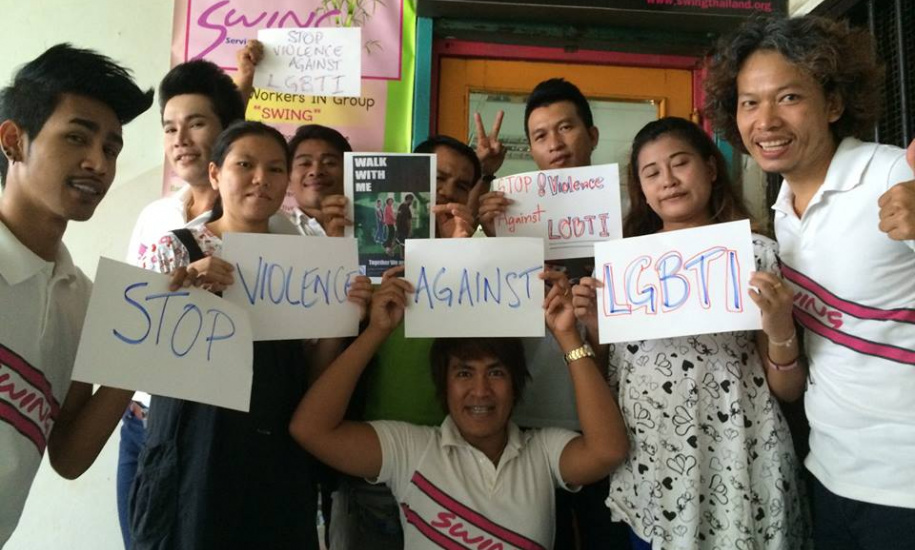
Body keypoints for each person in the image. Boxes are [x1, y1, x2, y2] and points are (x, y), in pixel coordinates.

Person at [704, 15, 915, 549]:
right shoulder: (781, 212)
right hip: (828, 471)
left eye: (789, 97)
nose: (766, 120)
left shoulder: (891, 176)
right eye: (750, 102)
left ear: (835, 104)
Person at [128, 120, 371, 550]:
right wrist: (185, 295)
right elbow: (138, 359)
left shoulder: (306, 261)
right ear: (217, 173)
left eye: (276, 169)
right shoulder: (175, 249)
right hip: (192, 454)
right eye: (246, 165)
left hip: (275, 456)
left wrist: (342, 317)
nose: (262, 179)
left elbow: (313, 373)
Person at [572, 117, 809, 549]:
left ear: (711, 168)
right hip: (653, 464)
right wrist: (594, 328)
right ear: (640, 188)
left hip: (739, 458)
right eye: (652, 172)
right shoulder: (622, 269)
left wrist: (779, 331)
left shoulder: (756, 255)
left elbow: (789, 390)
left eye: (680, 163)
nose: (668, 180)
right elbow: (612, 379)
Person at [290, 263, 629, 550]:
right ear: (443, 383)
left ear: (516, 384)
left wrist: (568, 336)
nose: (480, 391)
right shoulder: (411, 449)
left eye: (495, 372)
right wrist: (377, 331)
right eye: (464, 373)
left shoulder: (541, 452)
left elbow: (608, 451)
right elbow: (310, 429)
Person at [0, 43, 153, 545]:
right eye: (76, 138)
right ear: (13, 141)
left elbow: (67, 454)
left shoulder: (83, 300)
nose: (99, 163)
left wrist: (147, 341)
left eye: (111, 148)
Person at [119, 45, 265, 549]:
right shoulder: (155, 217)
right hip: (138, 420)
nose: (179, 140)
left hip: (208, 430)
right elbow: (127, 312)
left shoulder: (265, 226)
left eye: (196, 124)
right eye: (168, 127)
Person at [476, 78, 630, 549]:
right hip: (530, 411)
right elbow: (465, 284)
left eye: (565, 128)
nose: (555, 143)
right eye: (541, 135)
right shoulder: (505, 210)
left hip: (615, 409)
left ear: (592, 134)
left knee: (608, 536)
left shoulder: (633, 207)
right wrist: (483, 211)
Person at [327, 135, 480, 549]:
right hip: (368, 459)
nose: (447, 190)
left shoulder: (478, 262)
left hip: (449, 464)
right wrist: (331, 242)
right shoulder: (362, 249)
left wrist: (458, 254)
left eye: (461, 185)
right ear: (408, 179)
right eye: (438, 177)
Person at [287, 123, 352, 237]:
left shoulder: (370, 228)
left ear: (349, 170)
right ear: (288, 177)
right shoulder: (276, 229)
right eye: (305, 163)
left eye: (329, 163)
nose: (316, 171)